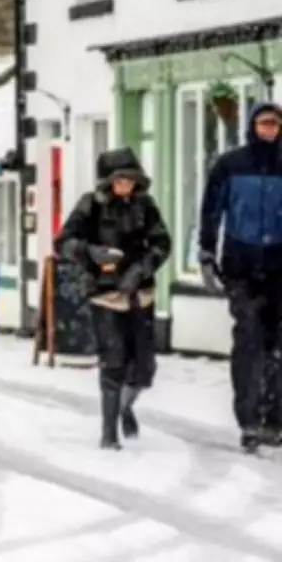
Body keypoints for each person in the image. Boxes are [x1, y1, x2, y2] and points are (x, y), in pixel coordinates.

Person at [55, 147, 172, 450]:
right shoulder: (90, 205)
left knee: (145, 367)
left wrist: (142, 268)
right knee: (114, 359)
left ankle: (125, 406)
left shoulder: (146, 205)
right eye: (120, 180)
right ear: (108, 181)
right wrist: (92, 253)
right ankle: (109, 432)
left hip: (140, 294)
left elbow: (162, 242)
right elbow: (64, 242)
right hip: (104, 295)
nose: (126, 186)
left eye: (131, 180)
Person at [199, 101, 282, 452]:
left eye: (275, 125)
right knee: (249, 339)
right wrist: (205, 253)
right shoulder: (230, 165)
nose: (269, 130)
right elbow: (211, 211)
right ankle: (248, 418)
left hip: (279, 264)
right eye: (264, 124)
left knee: (277, 345)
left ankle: (274, 419)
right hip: (241, 265)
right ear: (252, 127)